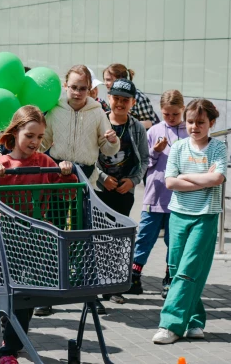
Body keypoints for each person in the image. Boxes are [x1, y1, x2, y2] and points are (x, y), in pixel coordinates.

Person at [0, 105, 77, 364]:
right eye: (29, 135)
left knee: (26, 293)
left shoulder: (44, 162)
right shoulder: (1, 164)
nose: (35, 142)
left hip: (37, 239)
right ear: (15, 132)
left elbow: (68, 193)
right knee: (13, 292)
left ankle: (12, 344)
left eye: (40, 137)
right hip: (6, 241)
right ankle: (8, 349)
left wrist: (65, 172)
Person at [40, 64, 120, 315]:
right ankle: (48, 292)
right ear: (65, 86)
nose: (77, 92)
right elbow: (42, 143)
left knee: (85, 235)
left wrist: (112, 141)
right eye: (73, 87)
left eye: (82, 88)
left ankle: (88, 293)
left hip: (84, 179)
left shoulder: (98, 112)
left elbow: (106, 150)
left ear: (90, 89)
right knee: (53, 233)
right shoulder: (54, 108)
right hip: (55, 177)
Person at [152, 98, 227, 345]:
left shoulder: (218, 147)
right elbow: (171, 182)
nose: (195, 126)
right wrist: (201, 177)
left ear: (212, 123)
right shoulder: (178, 147)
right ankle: (195, 319)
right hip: (178, 215)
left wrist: (188, 177)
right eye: (191, 121)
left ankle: (170, 324)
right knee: (176, 269)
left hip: (204, 216)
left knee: (188, 270)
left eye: (201, 122)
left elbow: (217, 178)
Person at [128, 90, 187, 299]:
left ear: (183, 110)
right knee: (145, 237)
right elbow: (144, 163)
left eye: (175, 115)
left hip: (178, 200)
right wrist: (155, 150)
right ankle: (134, 276)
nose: (170, 119)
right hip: (154, 196)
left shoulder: (188, 132)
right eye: (166, 114)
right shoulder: (154, 131)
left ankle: (169, 278)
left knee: (174, 241)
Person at [96, 78, 149, 305]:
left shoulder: (136, 128)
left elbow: (144, 160)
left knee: (119, 238)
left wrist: (133, 180)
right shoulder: (99, 122)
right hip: (100, 189)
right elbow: (90, 157)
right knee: (98, 236)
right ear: (109, 99)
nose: (120, 103)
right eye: (116, 98)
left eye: (125, 100)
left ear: (133, 102)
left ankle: (114, 285)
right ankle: (96, 283)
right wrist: (102, 177)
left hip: (124, 191)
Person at [102, 63, 160, 129]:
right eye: (104, 79)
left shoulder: (139, 97)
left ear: (121, 79)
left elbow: (152, 122)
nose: (105, 83)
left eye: (109, 80)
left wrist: (131, 125)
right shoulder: (110, 95)